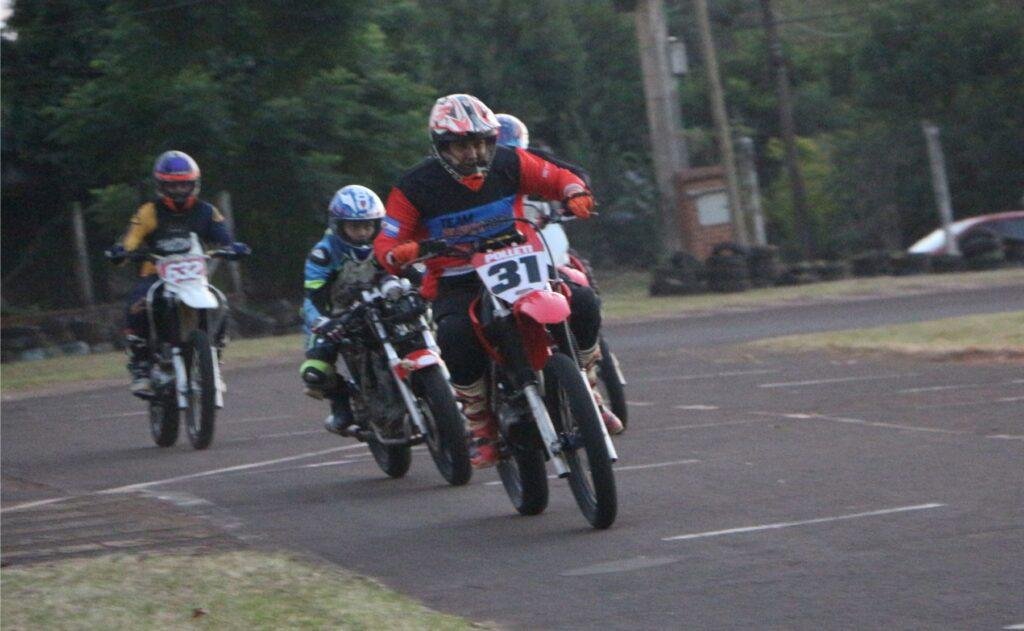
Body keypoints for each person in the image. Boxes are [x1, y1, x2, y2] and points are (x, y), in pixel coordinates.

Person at [374, 94, 622, 470]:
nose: (475, 154)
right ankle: (479, 422)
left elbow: (557, 178)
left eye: (482, 143)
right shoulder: (414, 186)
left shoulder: (510, 162)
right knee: (455, 335)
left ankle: (587, 385)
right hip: (458, 278)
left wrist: (575, 193)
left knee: (583, 299)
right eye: (463, 146)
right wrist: (402, 253)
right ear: (441, 148)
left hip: (522, 260)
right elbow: (388, 242)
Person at [494, 112, 624, 435]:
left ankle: (589, 381)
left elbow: (570, 174)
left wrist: (575, 195)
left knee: (579, 286)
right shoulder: (460, 178)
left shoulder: (529, 161)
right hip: (486, 261)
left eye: (515, 150)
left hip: (536, 248)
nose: (511, 158)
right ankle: (486, 413)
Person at [107, 150, 249, 397]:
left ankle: (215, 353)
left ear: (195, 184)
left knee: (221, 303)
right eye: (173, 186)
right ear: (161, 186)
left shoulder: (207, 211)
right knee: (138, 304)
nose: (180, 191)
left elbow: (223, 236)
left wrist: (232, 248)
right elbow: (132, 237)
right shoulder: (149, 211)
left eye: (185, 185)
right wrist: (123, 250)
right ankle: (140, 366)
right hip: (157, 274)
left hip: (194, 276)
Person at [299, 184, 386, 435]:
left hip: (380, 306)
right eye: (355, 226)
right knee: (314, 372)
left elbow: (405, 267)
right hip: (336, 313)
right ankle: (341, 404)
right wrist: (323, 321)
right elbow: (313, 296)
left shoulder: (384, 243)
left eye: (368, 226)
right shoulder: (323, 253)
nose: (362, 233)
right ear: (339, 225)